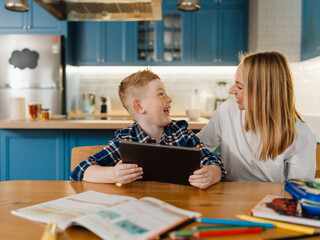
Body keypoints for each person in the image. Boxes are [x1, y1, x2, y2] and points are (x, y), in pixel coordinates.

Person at [70, 69, 226, 189]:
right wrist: (114, 174)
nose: (169, 99)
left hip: (180, 205)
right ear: (139, 106)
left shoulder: (181, 133)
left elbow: (214, 163)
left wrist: (212, 173)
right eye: (160, 94)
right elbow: (80, 171)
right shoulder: (126, 139)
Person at [196, 51, 316, 182]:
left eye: (240, 87)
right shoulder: (227, 110)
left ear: (263, 93)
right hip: (228, 196)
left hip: (270, 200)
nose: (231, 91)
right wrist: (214, 169)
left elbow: (298, 189)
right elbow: (197, 148)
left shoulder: (301, 134)